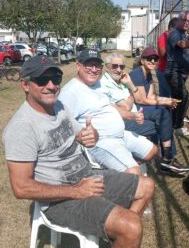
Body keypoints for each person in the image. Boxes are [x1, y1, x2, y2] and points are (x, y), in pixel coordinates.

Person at [3, 55, 155, 248]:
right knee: (131, 226)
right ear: (25, 85)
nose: (51, 86)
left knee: (147, 186)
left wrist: (92, 135)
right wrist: (76, 191)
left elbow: (82, 135)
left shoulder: (58, 107)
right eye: (41, 80)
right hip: (61, 200)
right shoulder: (22, 127)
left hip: (87, 177)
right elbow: (21, 188)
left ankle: (118, 240)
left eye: (55, 79)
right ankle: (124, 233)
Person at [59, 48, 158, 176]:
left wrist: (132, 116)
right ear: (78, 66)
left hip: (120, 135)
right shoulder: (70, 92)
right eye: (89, 65)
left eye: (97, 65)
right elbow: (62, 126)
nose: (94, 69)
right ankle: (121, 171)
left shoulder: (98, 85)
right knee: (134, 173)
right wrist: (82, 136)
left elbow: (111, 108)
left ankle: (117, 169)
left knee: (153, 151)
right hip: (101, 142)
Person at [129, 47, 189, 173]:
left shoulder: (148, 73)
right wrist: (165, 102)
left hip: (142, 106)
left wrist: (167, 100)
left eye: (155, 59)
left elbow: (151, 96)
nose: (153, 61)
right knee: (162, 113)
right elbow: (142, 100)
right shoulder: (137, 73)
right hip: (134, 109)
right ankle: (167, 158)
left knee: (165, 111)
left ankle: (168, 157)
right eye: (149, 59)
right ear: (142, 60)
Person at [99, 52, 158, 143]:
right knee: (157, 125)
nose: (119, 70)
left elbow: (137, 98)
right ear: (107, 67)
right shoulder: (105, 84)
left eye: (122, 67)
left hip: (135, 112)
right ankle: (161, 153)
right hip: (123, 121)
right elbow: (126, 107)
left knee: (162, 113)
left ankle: (165, 152)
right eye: (115, 66)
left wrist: (130, 83)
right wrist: (131, 95)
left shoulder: (122, 79)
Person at [156, 17, 178, 98]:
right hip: (164, 71)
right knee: (168, 96)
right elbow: (162, 54)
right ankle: (166, 110)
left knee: (168, 96)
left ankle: (166, 110)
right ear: (171, 28)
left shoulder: (175, 37)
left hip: (171, 71)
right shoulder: (163, 37)